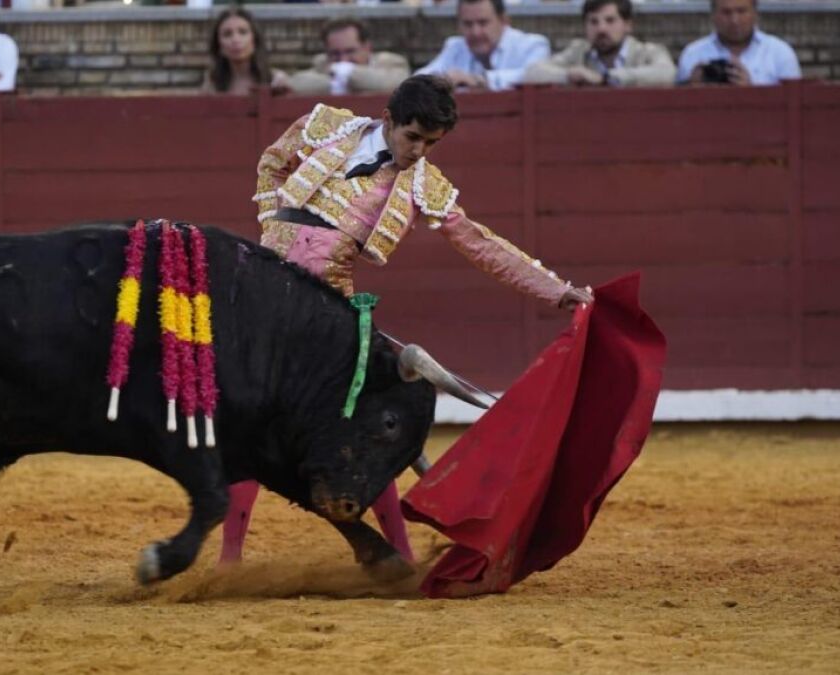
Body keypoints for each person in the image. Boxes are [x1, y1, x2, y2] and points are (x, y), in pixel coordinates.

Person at [221, 75, 593, 565]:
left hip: (329, 310)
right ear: (388, 119)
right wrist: (271, 224)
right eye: (412, 137)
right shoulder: (325, 125)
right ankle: (229, 560)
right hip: (267, 295)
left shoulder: (423, 185)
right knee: (248, 420)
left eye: (431, 143)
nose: (418, 151)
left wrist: (557, 290)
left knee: (363, 432)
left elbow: (480, 244)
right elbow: (272, 161)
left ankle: (398, 553)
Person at [525, 0, 675, 88]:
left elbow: (667, 74)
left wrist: (607, 78)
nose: (601, 29)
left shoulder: (647, 52)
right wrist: (569, 75)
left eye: (610, 21)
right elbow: (532, 72)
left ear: (627, 25)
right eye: (593, 22)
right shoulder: (578, 51)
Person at [416, 0, 548, 92]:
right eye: (468, 24)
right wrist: (441, 81)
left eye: (483, 23)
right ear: (458, 25)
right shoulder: (455, 47)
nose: (476, 32)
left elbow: (533, 76)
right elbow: (418, 80)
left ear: (504, 21)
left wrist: (480, 80)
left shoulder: (532, 46)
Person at [677, 0, 800, 86]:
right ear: (713, 16)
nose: (734, 20)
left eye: (741, 11)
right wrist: (691, 88)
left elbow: (793, 105)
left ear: (755, 13)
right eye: (726, 12)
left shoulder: (780, 53)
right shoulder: (693, 54)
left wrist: (752, 91)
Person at [288, 17, 411, 96]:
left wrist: (342, 73)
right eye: (335, 53)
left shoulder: (390, 62)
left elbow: (399, 82)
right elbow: (294, 84)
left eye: (350, 51)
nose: (343, 60)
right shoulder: (323, 64)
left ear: (367, 47)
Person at [203, 7, 289, 96]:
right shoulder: (212, 83)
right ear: (219, 45)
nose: (235, 40)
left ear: (254, 40)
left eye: (243, 32)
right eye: (227, 34)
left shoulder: (274, 80)